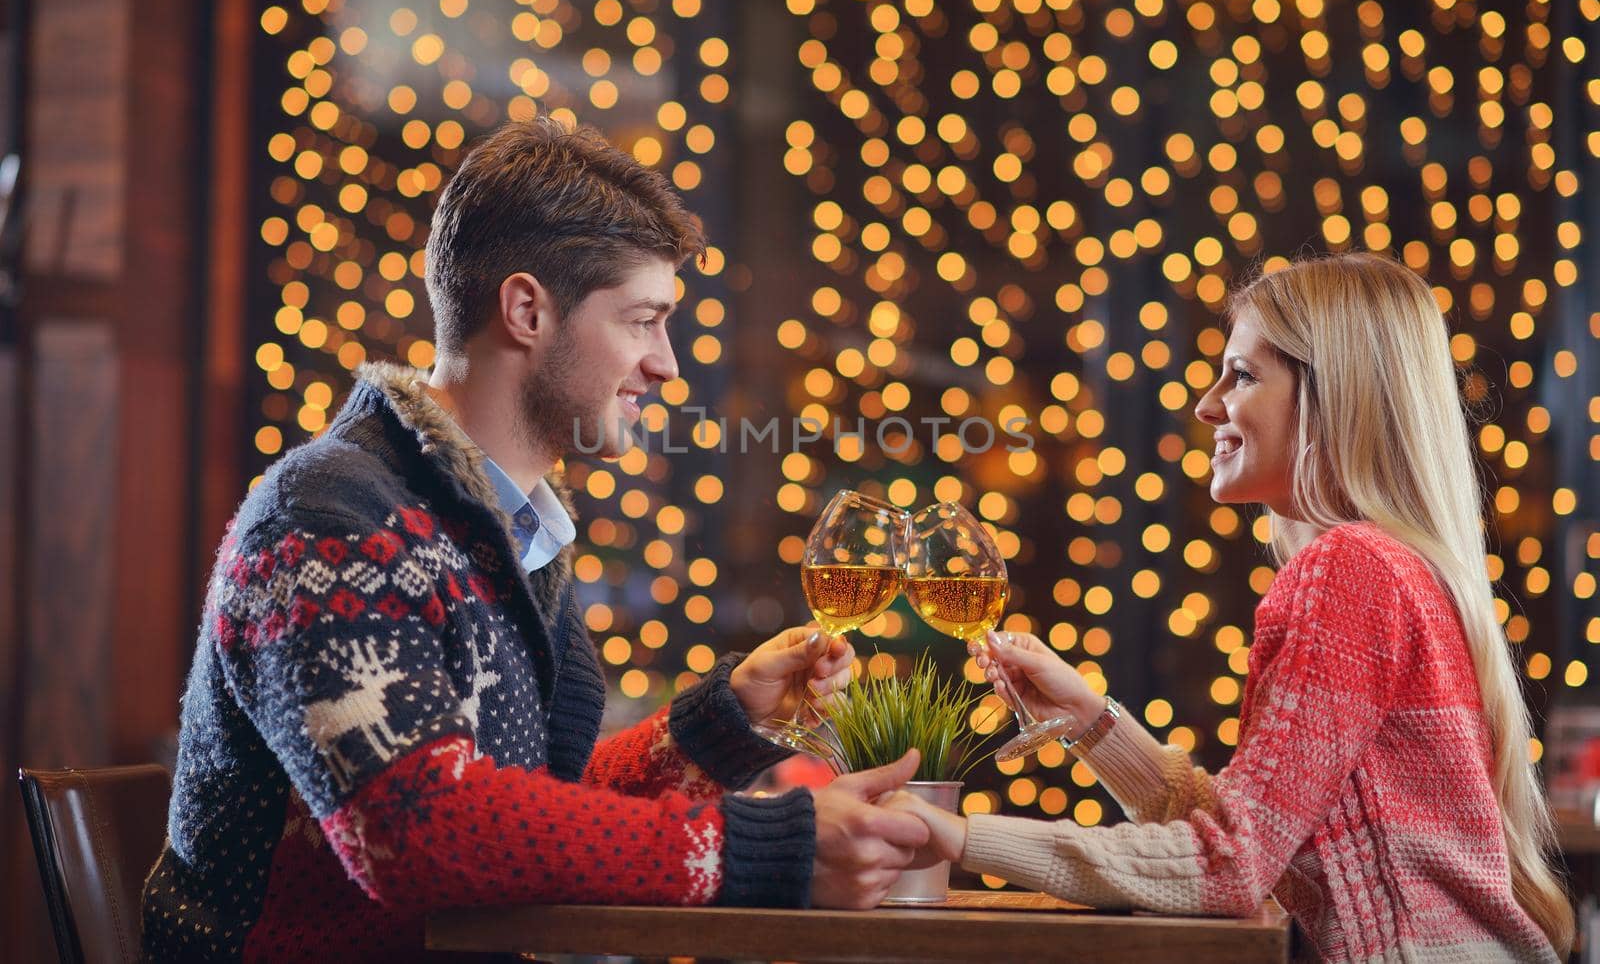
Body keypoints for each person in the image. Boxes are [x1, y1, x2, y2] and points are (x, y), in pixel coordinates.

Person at [143, 117, 928, 961]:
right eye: (642, 320)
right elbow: (423, 835)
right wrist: (770, 848)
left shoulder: (505, 530)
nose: (667, 365)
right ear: (526, 311)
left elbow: (524, 812)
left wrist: (719, 726)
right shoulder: (328, 519)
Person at [887, 254, 1572, 962]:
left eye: (1242, 376)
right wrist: (1092, 723)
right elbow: (1253, 832)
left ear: (1329, 394)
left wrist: (962, 836)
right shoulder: (1397, 566)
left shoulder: (1350, 572)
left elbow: (1229, 866)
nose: (1207, 405)